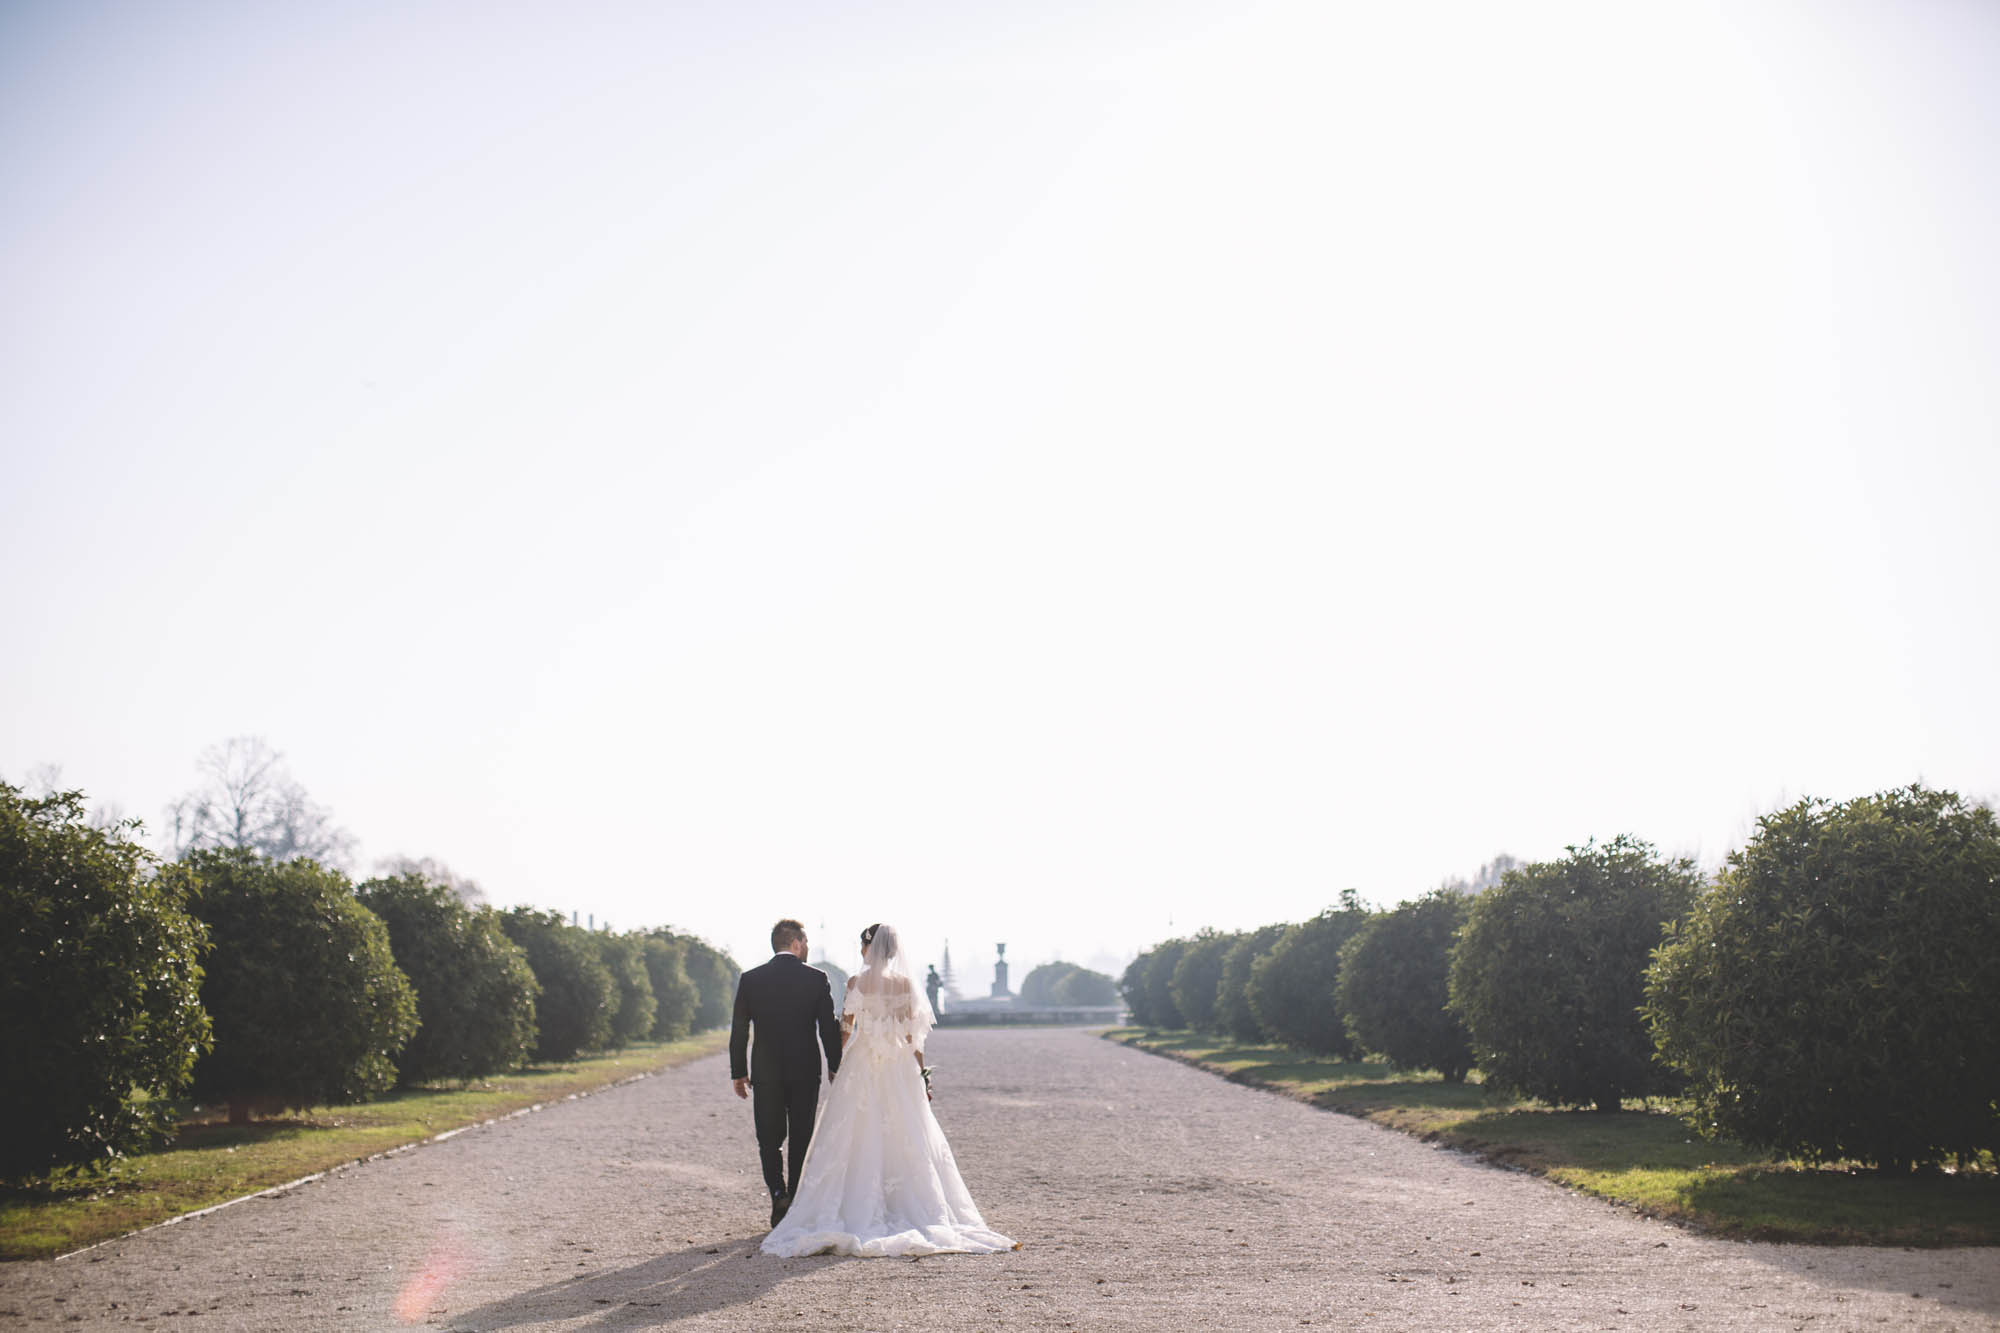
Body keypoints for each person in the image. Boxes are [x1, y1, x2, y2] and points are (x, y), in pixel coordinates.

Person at [762, 923, 1014, 1258]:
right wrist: (922, 1075)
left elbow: (846, 1031)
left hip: (863, 1065)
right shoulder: (906, 985)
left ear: (867, 948)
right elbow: (914, 1038)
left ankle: (848, 1204)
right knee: (906, 1134)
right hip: (898, 1066)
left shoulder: (857, 983)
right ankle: (908, 1205)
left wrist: (837, 1066)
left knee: (853, 1134)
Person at [730, 918, 842, 1228]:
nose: (806, 948)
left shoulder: (751, 979)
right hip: (805, 1069)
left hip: (766, 1070)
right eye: (804, 943)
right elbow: (827, 1028)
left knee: (768, 1137)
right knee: (801, 1136)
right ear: (795, 943)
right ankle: (794, 1196)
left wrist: (738, 1071)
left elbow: (740, 1028)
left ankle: (777, 1192)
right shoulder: (817, 979)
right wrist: (836, 1065)